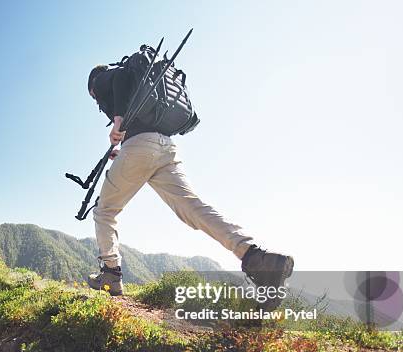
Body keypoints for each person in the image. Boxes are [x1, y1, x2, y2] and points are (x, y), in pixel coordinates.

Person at [86, 64, 294, 297]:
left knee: (104, 211)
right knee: (192, 208)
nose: (96, 101)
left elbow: (121, 77)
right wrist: (124, 149)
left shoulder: (102, 78)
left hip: (140, 147)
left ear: (93, 85)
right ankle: (255, 256)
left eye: (93, 97)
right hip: (164, 146)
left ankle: (110, 275)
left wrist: (118, 122)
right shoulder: (141, 85)